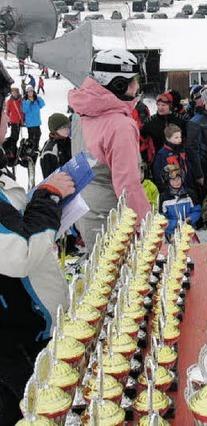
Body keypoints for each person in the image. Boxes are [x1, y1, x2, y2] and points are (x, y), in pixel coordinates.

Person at [0, 112, 75, 422]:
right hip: (13, 342)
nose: (7, 118)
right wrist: (47, 199)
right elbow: (20, 252)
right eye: (1, 110)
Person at [69, 49, 151, 251]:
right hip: (113, 220)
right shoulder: (120, 125)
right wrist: (145, 227)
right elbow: (128, 185)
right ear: (119, 84)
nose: (138, 86)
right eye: (134, 80)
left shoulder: (81, 112)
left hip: (86, 212)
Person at [159, 164, 201, 240]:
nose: (176, 182)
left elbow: (197, 211)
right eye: (173, 180)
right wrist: (175, 224)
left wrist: (191, 218)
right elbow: (162, 219)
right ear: (167, 181)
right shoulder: (164, 197)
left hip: (188, 231)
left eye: (178, 179)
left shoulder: (190, 194)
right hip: (171, 233)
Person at [140, 91, 186, 158]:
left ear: (170, 106)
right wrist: (146, 157)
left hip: (177, 159)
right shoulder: (150, 122)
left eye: (163, 105)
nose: (160, 108)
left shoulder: (179, 120)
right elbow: (141, 140)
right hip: (157, 159)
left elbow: (186, 139)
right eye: (158, 105)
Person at [152, 123, 191, 193]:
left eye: (180, 137)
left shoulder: (182, 150)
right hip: (170, 189)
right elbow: (158, 174)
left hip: (185, 186)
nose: (180, 139)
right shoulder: (162, 154)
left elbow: (187, 167)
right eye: (176, 137)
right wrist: (164, 188)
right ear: (168, 138)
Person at [40, 113, 71, 179]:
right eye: (62, 129)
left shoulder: (69, 140)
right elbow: (49, 179)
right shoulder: (49, 152)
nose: (66, 131)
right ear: (54, 131)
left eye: (68, 127)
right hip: (63, 185)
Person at [5, 88, 23, 166]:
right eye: (13, 92)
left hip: (19, 121)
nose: (14, 94)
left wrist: (23, 120)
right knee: (14, 137)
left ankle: (12, 150)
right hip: (13, 121)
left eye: (15, 92)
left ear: (18, 93)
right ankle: (11, 151)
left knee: (16, 136)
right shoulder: (9, 101)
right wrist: (8, 120)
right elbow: (7, 111)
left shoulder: (20, 100)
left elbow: (22, 110)